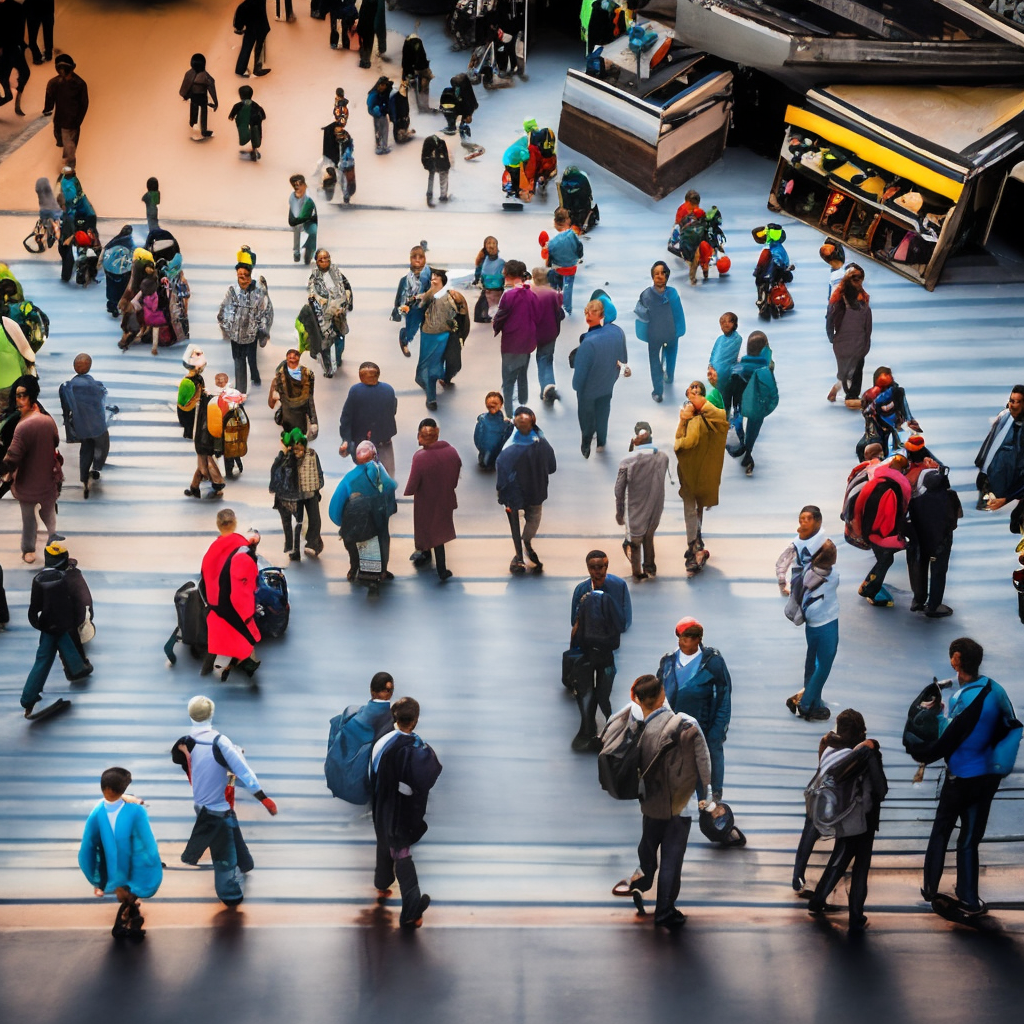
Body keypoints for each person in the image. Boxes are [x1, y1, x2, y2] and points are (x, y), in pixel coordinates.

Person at [921, 637, 1021, 916]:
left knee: (941, 830)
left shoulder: (959, 699)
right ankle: (968, 897)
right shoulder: (995, 689)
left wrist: (940, 715)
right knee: (969, 839)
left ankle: (930, 886)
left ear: (956, 660)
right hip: (986, 778)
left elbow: (948, 736)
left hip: (959, 779)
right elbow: (1010, 722)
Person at [606, 674, 712, 929]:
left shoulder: (635, 721)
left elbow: (610, 727)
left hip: (651, 799)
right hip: (681, 804)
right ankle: (665, 911)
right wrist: (708, 798)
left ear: (638, 698)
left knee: (648, 844)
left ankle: (642, 880)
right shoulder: (687, 722)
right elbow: (705, 764)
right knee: (672, 859)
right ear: (663, 695)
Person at [172, 695, 278, 907]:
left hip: (201, 805)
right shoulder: (220, 742)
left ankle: (245, 862)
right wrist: (262, 798)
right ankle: (230, 894)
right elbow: (244, 772)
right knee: (224, 857)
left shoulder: (185, 742)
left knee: (231, 830)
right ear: (211, 714)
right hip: (218, 809)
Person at [805, 709, 888, 932]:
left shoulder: (830, 748)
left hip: (843, 815)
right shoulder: (866, 754)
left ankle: (818, 899)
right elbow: (881, 789)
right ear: (862, 729)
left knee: (839, 859)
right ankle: (856, 915)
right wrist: (873, 747)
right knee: (860, 867)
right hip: (865, 819)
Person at [371, 697, 441, 929]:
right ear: (416, 720)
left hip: (380, 802)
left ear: (395, 717)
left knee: (384, 840)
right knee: (401, 852)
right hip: (400, 810)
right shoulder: (412, 750)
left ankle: (382, 884)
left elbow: (372, 769)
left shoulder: (382, 740)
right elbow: (425, 779)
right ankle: (411, 912)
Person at [656, 618, 736, 816]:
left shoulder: (713, 662)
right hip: (675, 726)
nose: (687, 642)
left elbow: (724, 695)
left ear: (699, 639)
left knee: (708, 762)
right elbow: (659, 692)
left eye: (692, 638)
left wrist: (718, 729)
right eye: (684, 637)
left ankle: (711, 801)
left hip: (705, 727)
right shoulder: (668, 661)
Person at [78, 767, 162, 942]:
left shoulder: (97, 812)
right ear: (124, 788)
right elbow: (147, 840)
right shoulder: (136, 812)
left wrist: (93, 870)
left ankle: (130, 916)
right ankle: (125, 921)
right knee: (130, 892)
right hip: (134, 862)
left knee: (123, 891)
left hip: (111, 866)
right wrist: (153, 860)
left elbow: (88, 845)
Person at [776, 506, 838, 720]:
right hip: (826, 618)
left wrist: (782, 583)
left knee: (812, 658)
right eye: (801, 519)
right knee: (825, 661)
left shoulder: (797, 549)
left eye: (806, 519)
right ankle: (807, 701)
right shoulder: (825, 556)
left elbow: (781, 564)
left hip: (808, 615)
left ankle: (813, 698)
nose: (803, 523)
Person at [569, 550, 632, 751]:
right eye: (594, 567)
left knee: (602, 693)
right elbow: (623, 620)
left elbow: (624, 621)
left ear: (607, 566)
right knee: (592, 692)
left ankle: (603, 730)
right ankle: (595, 729)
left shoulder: (611, 587)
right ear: (588, 568)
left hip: (600, 652)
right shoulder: (586, 590)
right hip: (595, 652)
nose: (598, 571)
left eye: (601, 566)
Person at [21, 541, 93, 716]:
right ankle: (28, 698)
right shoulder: (64, 580)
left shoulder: (38, 579)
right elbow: (72, 605)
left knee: (44, 659)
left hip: (48, 627)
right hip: (61, 627)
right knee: (49, 657)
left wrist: (38, 624)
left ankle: (29, 699)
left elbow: (34, 608)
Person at [1, 375, 62, 563]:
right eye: (18, 396)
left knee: (43, 513)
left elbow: (12, 455)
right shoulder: (37, 418)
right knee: (33, 515)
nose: (20, 401)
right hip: (34, 475)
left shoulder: (31, 421)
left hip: (37, 474)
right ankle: (34, 546)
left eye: (24, 396)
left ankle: (43, 543)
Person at [674, 379, 728, 576]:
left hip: (694, 468)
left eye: (698, 388)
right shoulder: (691, 416)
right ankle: (696, 541)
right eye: (692, 388)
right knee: (695, 506)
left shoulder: (705, 415)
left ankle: (693, 546)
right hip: (695, 469)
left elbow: (681, 443)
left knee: (693, 505)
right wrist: (683, 420)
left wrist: (685, 424)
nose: (695, 391)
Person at [200, 509, 261, 679]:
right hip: (238, 605)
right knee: (246, 636)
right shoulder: (242, 545)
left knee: (221, 635)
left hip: (216, 604)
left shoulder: (211, 550)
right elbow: (251, 578)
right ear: (235, 523)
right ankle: (246, 663)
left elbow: (204, 577)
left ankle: (209, 668)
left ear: (218, 525)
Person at [495, 406, 556, 574]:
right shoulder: (543, 444)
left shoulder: (508, 450)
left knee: (514, 523)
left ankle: (519, 556)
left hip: (513, 495)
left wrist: (502, 494)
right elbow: (552, 467)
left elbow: (501, 473)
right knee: (533, 519)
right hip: (536, 491)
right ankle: (527, 542)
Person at [905, 434, 960, 617]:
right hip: (939, 540)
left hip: (916, 534)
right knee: (938, 570)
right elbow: (953, 520)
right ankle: (934, 605)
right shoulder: (947, 495)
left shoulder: (909, 484)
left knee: (917, 564)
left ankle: (918, 600)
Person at [329, 440, 399, 582]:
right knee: (383, 539)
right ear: (374, 455)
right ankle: (382, 570)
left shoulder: (349, 478)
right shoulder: (381, 472)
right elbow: (391, 487)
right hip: (378, 521)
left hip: (356, 524)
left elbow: (335, 508)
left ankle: (354, 568)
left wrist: (342, 522)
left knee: (354, 543)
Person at [573, 297, 630, 459]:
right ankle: (601, 441)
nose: (589, 315)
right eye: (587, 312)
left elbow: (582, 369)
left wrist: (577, 385)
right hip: (607, 383)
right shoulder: (617, 332)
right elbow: (622, 358)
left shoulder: (587, 339)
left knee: (586, 414)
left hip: (589, 387)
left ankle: (586, 442)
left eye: (594, 312)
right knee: (603, 410)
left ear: (602, 315)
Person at [404, 419, 461, 582]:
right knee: (440, 529)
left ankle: (436, 563)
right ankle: (439, 565)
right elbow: (456, 474)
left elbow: (413, 483)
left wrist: (408, 491)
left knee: (429, 529)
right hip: (445, 497)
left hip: (426, 499)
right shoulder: (451, 451)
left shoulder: (420, 457)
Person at [854, 453, 911, 608]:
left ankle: (869, 586)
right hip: (879, 533)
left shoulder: (874, 481)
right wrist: (892, 536)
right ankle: (869, 590)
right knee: (886, 559)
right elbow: (888, 517)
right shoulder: (892, 489)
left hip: (867, 529)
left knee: (884, 559)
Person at [613, 421, 669, 580]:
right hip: (656, 506)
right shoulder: (663, 458)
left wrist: (620, 512)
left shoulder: (628, 461)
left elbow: (619, 489)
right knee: (649, 536)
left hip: (635, 507)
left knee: (635, 541)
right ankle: (650, 566)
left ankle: (637, 572)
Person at [217, 250, 273, 394]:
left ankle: (255, 376)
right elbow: (224, 310)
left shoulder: (258, 293)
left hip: (250, 336)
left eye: (245, 275)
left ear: (250, 276)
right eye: (239, 276)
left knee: (251, 359)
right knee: (238, 362)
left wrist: (262, 331)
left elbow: (265, 312)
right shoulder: (232, 291)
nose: (242, 279)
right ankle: (240, 393)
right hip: (235, 336)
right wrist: (226, 326)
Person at [722, 330, 776, 476]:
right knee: (754, 425)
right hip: (756, 403)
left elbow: (728, 388)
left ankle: (739, 447)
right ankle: (748, 452)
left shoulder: (738, 367)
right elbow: (770, 391)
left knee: (737, 420)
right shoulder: (767, 368)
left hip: (739, 401)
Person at [403, 268, 456, 412]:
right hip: (430, 333)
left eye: (436, 277)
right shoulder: (432, 293)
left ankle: (432, 392)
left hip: (441, 334)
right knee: (430, 362)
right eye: (433, 276)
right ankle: (433, 390)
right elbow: (422, 299)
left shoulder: (449, 296)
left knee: (435, 361)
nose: (433, 279)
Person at [58, 353, 110, 499]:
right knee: (102, 446)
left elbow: (66, 408)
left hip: (81, 425)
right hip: (97, 425)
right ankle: (96, 468)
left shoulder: (67, 387)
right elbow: (103, 398)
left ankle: (83, 475)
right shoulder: (97, 386)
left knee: (86, 448)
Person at [269, 428, 324, 561]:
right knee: (298, 523)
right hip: (295, 496)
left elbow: (319, 472)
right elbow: (275, 472)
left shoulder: (312, 455)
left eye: (300, 449)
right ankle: (295, 549)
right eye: (295, 449)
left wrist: (318, 487)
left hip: (310, 493)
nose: (298, 452)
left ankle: (314, 543)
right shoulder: (286, 458)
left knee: (314, 520)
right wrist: (282, 453)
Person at [634, 261, 685, 404]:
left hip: (672, 334)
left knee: (671, 357)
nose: (660, 276)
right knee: (655, 363)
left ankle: (669, 376)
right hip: (654, 335)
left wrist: (679, 331)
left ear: (667, 276)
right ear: (652, 276)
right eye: (656, 273)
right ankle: (658, 391)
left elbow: (678, 313)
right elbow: (641, 315)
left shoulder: (673, 293)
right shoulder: (646, 295)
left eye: (663, 273)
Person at [975, 384, 1024, 529]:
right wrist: (983, 472)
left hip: (1012, 493)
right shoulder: (1005, 418)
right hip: (996, 487)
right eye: (1011, 401)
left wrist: (1008, 498)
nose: (1013, 405)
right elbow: (991, 445)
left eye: (1018, 402)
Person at [492, 260, 538, 413]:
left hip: (512, 343)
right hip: (528, 342)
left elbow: (500, 317)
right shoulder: (531, 293)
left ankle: (509, 412)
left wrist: (496, 326)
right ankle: (523, 404)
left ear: (509, 275)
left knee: (508, 378)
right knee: (522, 373)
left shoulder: (508, 295)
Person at [338, 361, 397, 479]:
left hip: (362, 443)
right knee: (387, 477)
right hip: (384, 441)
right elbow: (393, 410)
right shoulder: (388, 389)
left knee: (366, 478)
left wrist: (346, 440)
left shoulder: (355, 391)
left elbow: (346, 417)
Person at [826, 266, 871, 409]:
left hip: (843, 342)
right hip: (854, 341)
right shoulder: (862, 300)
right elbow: (868, 326)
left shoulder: (837, 298)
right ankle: (850, 396)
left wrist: (832, 337)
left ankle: (841, 389)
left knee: (848, 368)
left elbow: (829, 320)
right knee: (855, 368)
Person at [306, 248, 352, 378]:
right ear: (317, 262)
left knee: (340, 338)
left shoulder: (337, 272)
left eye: (327, 258)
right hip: (324, 316)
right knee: (326, 342)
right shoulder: (314, 278)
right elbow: (312, 296)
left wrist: (346, 304)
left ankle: (337, 358)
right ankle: (328, 367)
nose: (325, 261)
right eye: (321, 259)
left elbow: (347, 288)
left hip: (339, 314)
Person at [859, 365, 921, 459]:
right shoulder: (872, 397)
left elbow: (905, 409)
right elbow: (867, 413)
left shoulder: (897, 392)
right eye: (882, 387)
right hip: (878, 426)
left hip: (894, 427)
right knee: (863, 448)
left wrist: (910, 420)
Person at [182, 373, 225, 500]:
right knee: (203, 462)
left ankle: (217, 484)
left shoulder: (205, 403)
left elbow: (203, 424)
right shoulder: (207, 400)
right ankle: (194, 487)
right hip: (204, 439)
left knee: (204, 465)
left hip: (203, 440)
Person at [42, 53, 88, 170]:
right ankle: (66, 167)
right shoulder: (54, 83)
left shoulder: (79, 84)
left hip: (71, 123)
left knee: (69, 149)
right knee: (63, 143)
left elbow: (84, 105)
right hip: (60, 122)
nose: (62, 72)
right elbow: (49, 100)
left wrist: (77, 122)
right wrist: (48, 109)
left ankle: (68, 170)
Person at [531, 266, 564, 403]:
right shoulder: (552, 294)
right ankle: (549, 385)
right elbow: (559, 313)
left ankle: (545, 388)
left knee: (540, 358)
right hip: (551, 332)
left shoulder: (530, 294)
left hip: (536, 332)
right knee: (547, 358)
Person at [269, 347, 317, 438]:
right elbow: (271, 403)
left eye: (294, 357)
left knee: (297, 441)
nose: (292, 359)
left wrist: (314, 421)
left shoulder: (307, 375)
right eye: (290, 357)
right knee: (291, 441)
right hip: (289, 418)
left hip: (299, 416)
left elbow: (310, 399)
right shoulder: (280, 377)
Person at [392, 245, 430, 355]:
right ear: (410, 259)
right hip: (412, 307)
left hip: (426, 305)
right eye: (414, 257)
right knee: (411, 328)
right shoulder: (406, 279)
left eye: (420, 257)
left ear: (424, 258)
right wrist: (399, 308)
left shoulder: (430, 276)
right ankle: (405, 340)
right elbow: (400, 296)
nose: (417, 259)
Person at [545, 207, 583, 315]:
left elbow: (549, 253)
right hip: (570, 267)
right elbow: (579, 248)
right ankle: (567, 308)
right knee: (568, 287)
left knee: (553, 283)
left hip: (557, 267)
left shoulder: (552, 237)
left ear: (555, 221)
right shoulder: (573, 235)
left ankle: (553, 304)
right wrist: (578, 257)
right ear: (567, 220)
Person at [0, 0, 30, 117]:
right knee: (21, 73)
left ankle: (13, 95)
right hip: (11, 47)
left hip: (11, 47)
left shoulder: (17, 8)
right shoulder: (19, 7)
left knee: (6, 75)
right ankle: (14, 95)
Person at [706, 312, 741, 414]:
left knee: (725, 398)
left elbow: (734, 357)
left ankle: (725, 418)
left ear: (734, 323)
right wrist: (710, 366)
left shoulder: (737, 339)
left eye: (728, 322)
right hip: (714, 373)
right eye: (722, 322)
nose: (724, 325)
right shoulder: (720, 339)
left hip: (727, 374)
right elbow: (714, 353)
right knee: (714, 396)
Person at [179, 53, 218, 138]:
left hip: (193, 96)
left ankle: (192, 122)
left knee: (193, 108)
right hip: (202, 96)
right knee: (204, 112)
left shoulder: (189, 73)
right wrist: (215, 102)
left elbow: (185, 85)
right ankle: (204, 130)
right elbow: (211, 85)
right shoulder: (205, 75)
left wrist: (185, 95)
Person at [101, 224, 134, 317]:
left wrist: (101, 263)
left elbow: (105, 250)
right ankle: (119, 305)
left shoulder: (114, 240)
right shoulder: (129, 241)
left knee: (111, 286)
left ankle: (112, 305)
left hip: (110, 269)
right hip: (123, 270)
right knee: (122, 288)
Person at [474, 390, 512, 470]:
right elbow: (477, 438)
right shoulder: (482, 421)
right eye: (489, 404)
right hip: (486, 456)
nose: (491, 406)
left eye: (495, 403)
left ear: (501, 405)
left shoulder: (507, 425)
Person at [233, 0, 271, 78]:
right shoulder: (260, 2)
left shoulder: (243, 7)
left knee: (247, 48)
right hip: (261, 28)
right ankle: (256, 69)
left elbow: (238, 24)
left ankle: (241, 69)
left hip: (250, 29)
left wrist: (239, 28)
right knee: (258, 48)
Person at [228, 84, 266, 161]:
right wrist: (262, 116)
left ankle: (252, 150)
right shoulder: (255, 105)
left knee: (246, 134)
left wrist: (231, 116)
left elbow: (232, 115)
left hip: (245, 123)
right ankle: (254, 149)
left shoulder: (238, 105)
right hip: (255, 122)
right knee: (255, 135)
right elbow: (262, 113)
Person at [287, 175, 318, 264]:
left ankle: (310, 251)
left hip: (312, 219)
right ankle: (296, 251)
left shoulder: (310, 193)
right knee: (297, 227)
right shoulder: (293, 196)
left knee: (314, 232)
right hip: (300, 218)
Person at [474, 236, 505, 322]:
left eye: (493, 243)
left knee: (482, 312)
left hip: (495, 288)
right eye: (489, 243)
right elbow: (478, 272)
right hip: (491, 288)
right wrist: (476, 279)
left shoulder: (501, 262)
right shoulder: (483, 260)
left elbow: (505, 273)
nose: (491, 245)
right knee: (481, 313)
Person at [420, 134, 451, 207]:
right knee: (440, 173)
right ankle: (441, 196)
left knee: (433, 174)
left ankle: (431, 196)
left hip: (430, 159)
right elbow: (444, 157)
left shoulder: (438, 142)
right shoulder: (440, 143)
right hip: (432, 160)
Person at [356, 0, 387, 69]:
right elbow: (380, 21)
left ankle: (364, 60)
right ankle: (365, 60)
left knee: (366, 40)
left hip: (368, 23)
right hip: (369, 23)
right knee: (367, 40)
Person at [367, 75, 393, 155]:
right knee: (379, 131)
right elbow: (370, 105)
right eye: (382, 85)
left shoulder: (383, 92)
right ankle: (380, 147)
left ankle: (383, 146)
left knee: (384, 130)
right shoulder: (374, 94)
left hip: (382, 114)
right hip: (378, 115)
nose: (383, 87)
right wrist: (377, 111)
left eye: (384, 85)